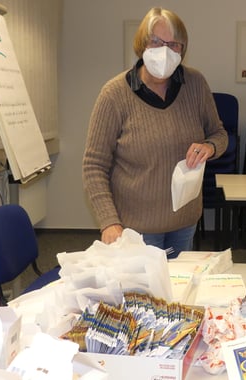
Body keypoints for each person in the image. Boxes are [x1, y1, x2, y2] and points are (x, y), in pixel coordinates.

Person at [82, 7, 228, 257]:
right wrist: (108, 221)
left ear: (183, 49)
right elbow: (94, 166)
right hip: (135, 230)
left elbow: (219, 134)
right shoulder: (114, 94)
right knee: (141, 295)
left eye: (174, 45)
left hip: (184, 222)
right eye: (156, 42)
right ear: (141, 45)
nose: (164, 51)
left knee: (177, 292)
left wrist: (209, 147)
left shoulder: (195, 84)